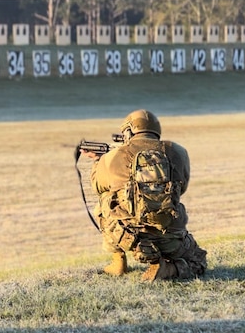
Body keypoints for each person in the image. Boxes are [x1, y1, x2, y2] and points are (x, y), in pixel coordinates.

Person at [82, 109, 207, 281]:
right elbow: (181, 188)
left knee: (106, 198)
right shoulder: (178, 151)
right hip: (167, 233)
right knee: (198, 262)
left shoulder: (112, 157)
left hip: (125, 235)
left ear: (128, 131)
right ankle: (168, 269)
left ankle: (118, 260)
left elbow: (98, 187)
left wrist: (99, 161)